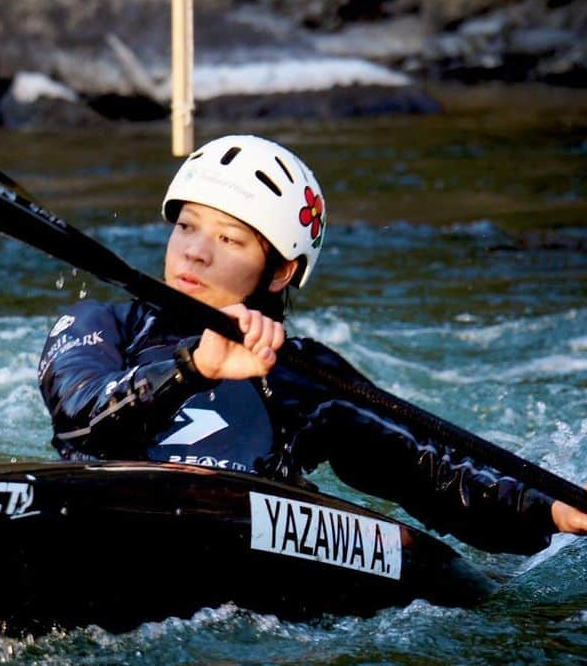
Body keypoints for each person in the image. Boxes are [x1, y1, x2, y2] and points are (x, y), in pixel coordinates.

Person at [38, 134, 587, 554]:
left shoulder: (305, 373)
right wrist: (193, 367)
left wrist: (552, 511)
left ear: (280, 273)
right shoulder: (102, 324)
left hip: (238, 550)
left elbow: (427, 471)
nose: (194, 252)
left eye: (229, 239)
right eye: (187, 226)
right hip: (97, 517)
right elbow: (79, 420)